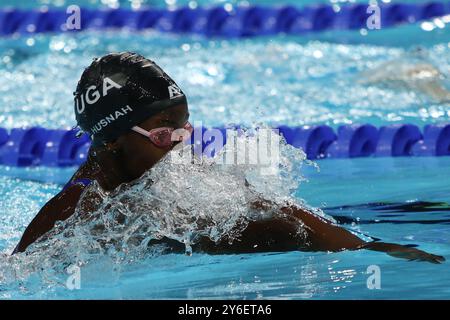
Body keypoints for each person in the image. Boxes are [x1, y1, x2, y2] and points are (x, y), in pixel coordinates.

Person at [13, 52, 445, 264]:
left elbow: (266, 207)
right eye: (166, 133)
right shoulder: (74, 212)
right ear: (111, 141)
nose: (183, 143)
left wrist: (365, 249)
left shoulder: (169, 161)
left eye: (187, 127)